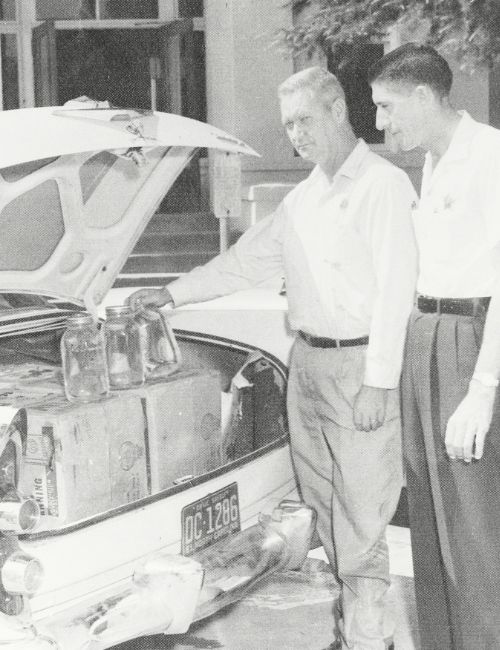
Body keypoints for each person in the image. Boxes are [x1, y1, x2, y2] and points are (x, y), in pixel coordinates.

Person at [128, 66, 417, 650]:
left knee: (362, 514)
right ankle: (356, 629)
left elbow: (397, 292)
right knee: (324, 506)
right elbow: (243, 263)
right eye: (289, 125)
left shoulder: (382, 185)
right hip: (307, 365)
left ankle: (368, 639)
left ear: (338, 110)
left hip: (362, 369)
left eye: (305, 120)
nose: (297, 136)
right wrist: (171, 293)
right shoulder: (304, 198)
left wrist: (380, 383)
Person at [369, 43, 500, 650]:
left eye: (388, 107)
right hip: (426, 341)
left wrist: (480, 390)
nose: (381, 122)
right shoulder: (431, 163)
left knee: (474, 532)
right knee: (429, 527)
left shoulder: (490, 158)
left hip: (467, 346)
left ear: (424, 97)